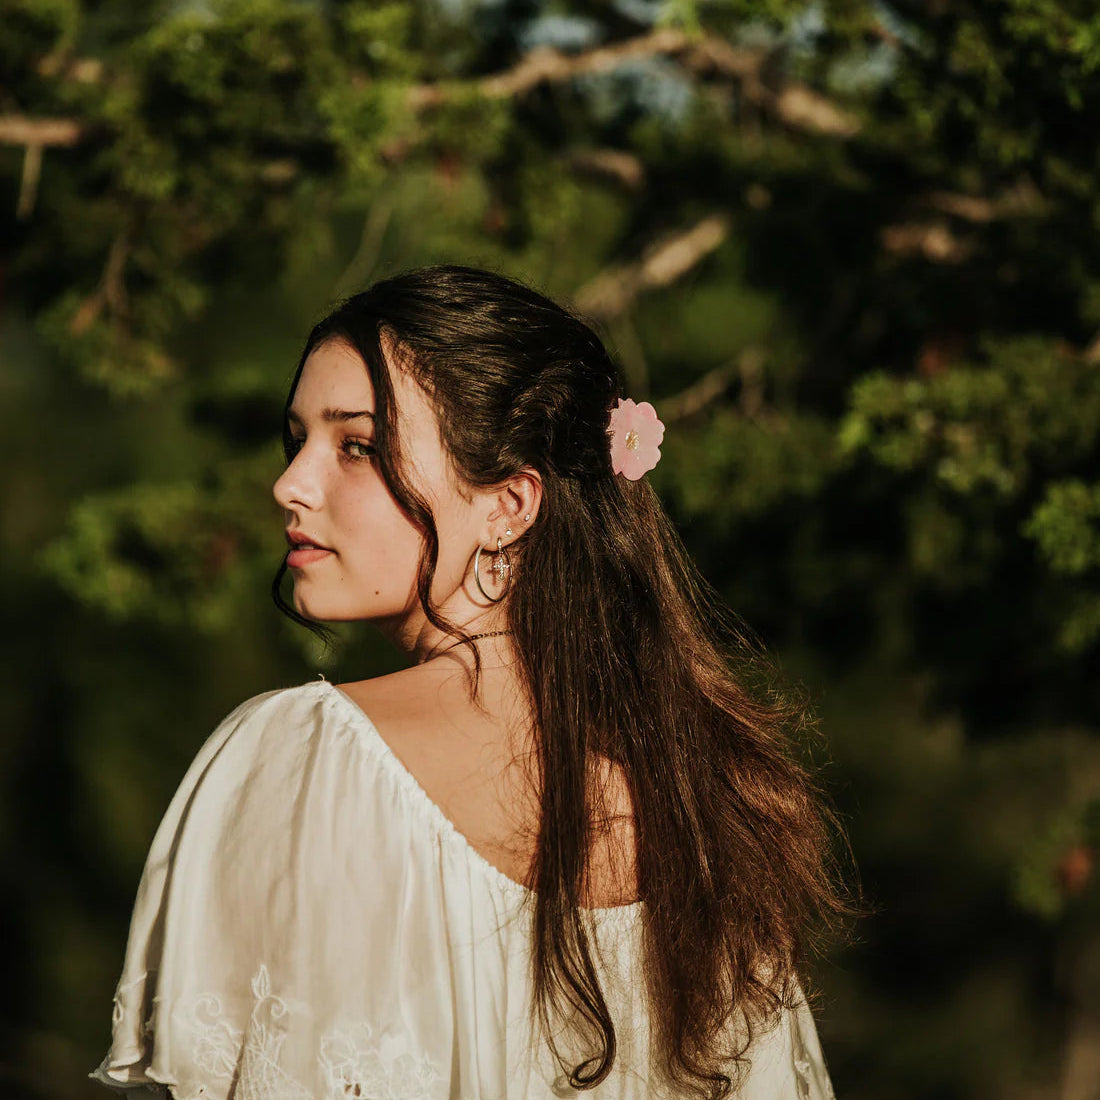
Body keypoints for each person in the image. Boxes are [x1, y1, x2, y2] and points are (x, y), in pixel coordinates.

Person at [91, 265, 851, 1099]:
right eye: (297, 439)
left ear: (509, 504)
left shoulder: (309, 759)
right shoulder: (706, 820)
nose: (290, 484)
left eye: (358, 446)